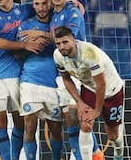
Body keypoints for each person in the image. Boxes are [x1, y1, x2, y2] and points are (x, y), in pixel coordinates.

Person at [0, 0, 45, 160]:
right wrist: (25, 45)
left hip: (17, 75)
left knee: (21, 123)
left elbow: (46, 6)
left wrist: (72, 2)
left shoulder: (24, 10)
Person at [48, 0, 103, 160]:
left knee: (76, 120)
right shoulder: (53, 13)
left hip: (81, 72)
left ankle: (91, 155)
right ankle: (96, 155)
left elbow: (66, 38)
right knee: (73, 122)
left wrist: (37, 35)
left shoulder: (73, 12)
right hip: (65, 73)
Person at [53, 25, 124, 160]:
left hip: (112, 91)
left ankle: (119, 155)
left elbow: (101, 84)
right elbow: (66, 79)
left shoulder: (88, 54)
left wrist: (97, 111)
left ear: (73, 40)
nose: (62, 47)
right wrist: (79, 102)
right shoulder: (58, 56)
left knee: (113, 135)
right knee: (85, 124)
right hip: (90, 88)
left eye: (65, 42)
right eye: (58, 43)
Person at [17, 0, 63, 160]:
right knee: (30, 125)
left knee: (56, 129)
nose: (41, 7)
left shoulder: (57, 24)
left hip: (53, 82)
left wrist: (46, 38)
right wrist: (27, 46)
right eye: (37, 4)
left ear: (50, 3)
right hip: (30, 81)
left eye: (44, 3)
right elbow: (16, 55)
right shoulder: (25, 25)